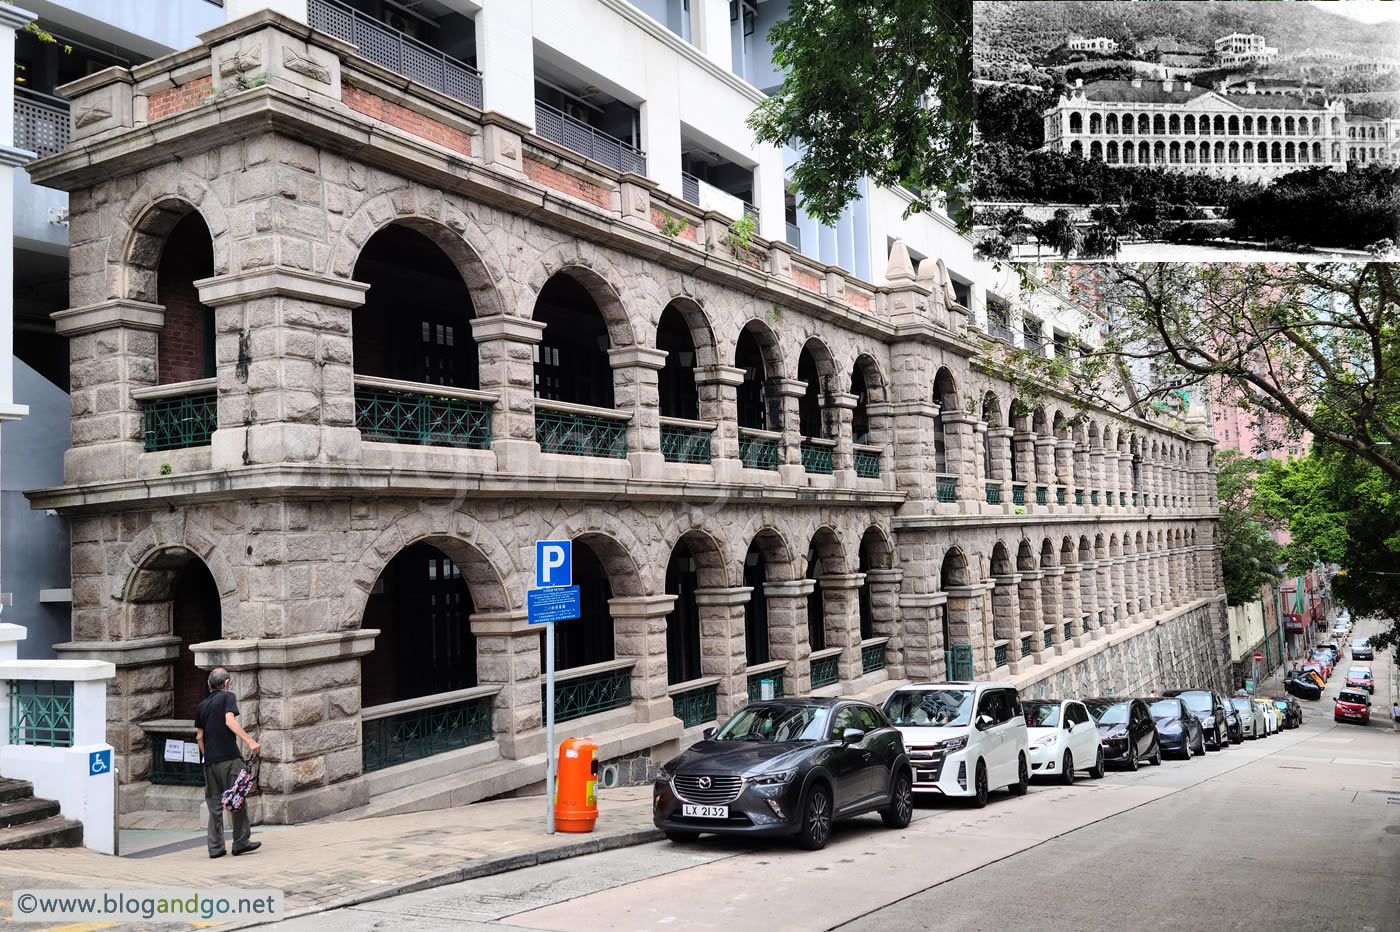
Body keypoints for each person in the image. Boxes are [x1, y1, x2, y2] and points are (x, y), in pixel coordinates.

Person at [195, 667, 261, 859]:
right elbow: (229, 721)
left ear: (209, 685)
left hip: (210, 763)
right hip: (229, 759)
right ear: (226, 683)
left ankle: (215, 848)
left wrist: (208, 756)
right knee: (237, 799)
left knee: (214, 807)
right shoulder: (227, 697)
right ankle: (240, 842)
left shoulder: (202, 705)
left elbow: (199, 736)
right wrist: (250, 741)